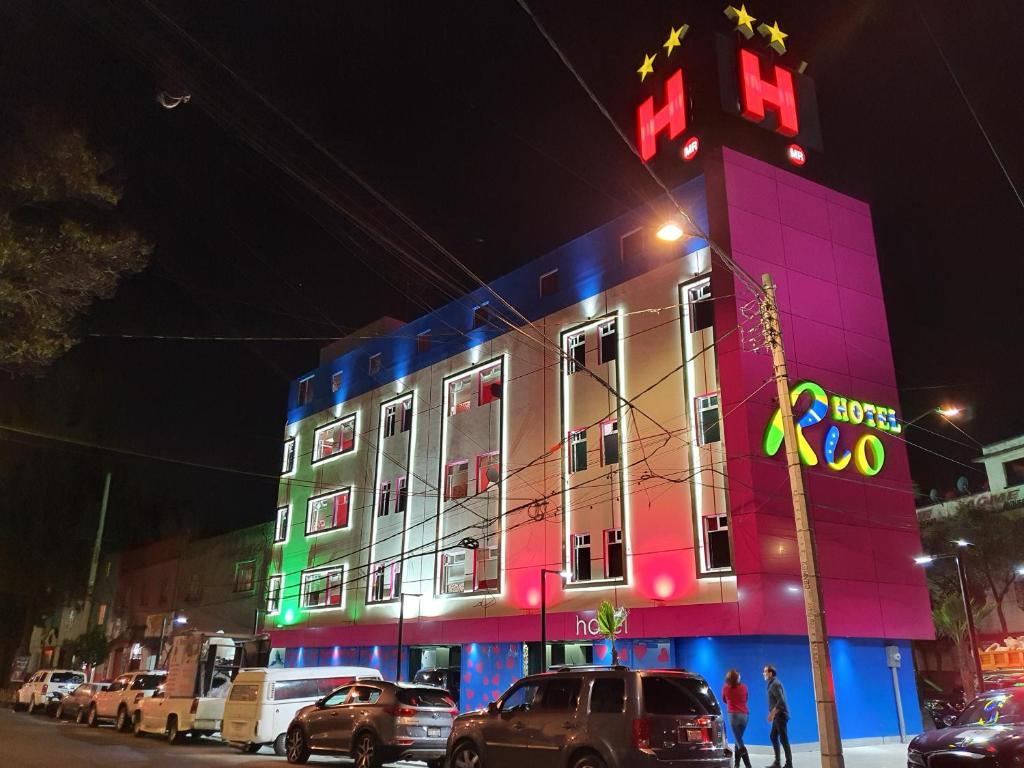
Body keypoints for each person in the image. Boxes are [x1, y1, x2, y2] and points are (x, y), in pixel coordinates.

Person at [763, 664, 792, 768]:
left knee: (783, 739)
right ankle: (777, 763)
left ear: (770, 673)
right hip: (777, 716)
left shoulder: (775, 684)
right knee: (773, 736)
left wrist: (772, 714)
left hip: (780, 715)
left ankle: (789, 764)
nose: (763, 674)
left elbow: (781, 702)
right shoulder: (772, 684)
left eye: (765, 671)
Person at [722, 669, 751, 768]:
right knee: (737, 740)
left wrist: (732, 702)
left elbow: (724, 700)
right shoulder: (744, 687)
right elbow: (746, 699)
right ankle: (737, 764)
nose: (740, 677)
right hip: (744, 715)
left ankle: (748, 765)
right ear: (736, 678)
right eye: (738, 676)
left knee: (739, 741)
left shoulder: (726, 688)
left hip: (733, 716)